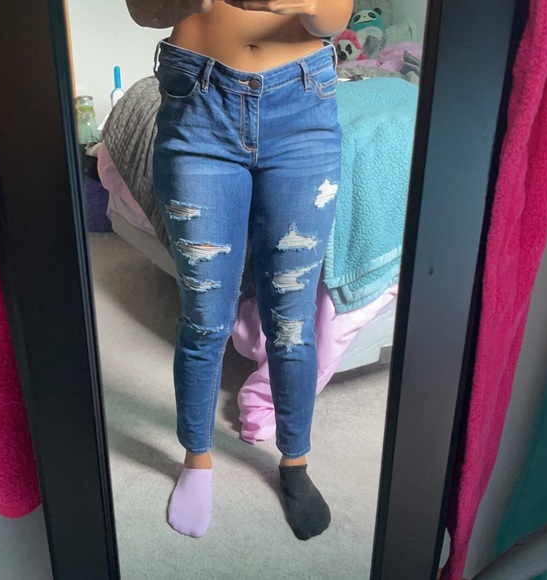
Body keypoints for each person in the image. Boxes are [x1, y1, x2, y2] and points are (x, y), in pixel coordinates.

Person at [125, 0, 352, 540]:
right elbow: (143, 10)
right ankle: (196, 459)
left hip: (303, 106)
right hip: (196, 104)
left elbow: (336, 17)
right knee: (205, 317)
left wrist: (304, 1)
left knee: (291, 320)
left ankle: (295, 462)